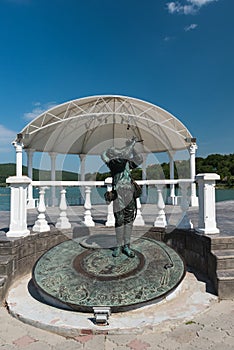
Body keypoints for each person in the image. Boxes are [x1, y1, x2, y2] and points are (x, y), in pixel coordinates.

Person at [101, 137, 143, 258]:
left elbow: (139, 159)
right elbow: (119, 154)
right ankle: (119, 245)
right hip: (118, 194)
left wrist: (133, 148)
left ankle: (126, 246)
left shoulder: (127, 164)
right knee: (119, 220)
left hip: (129, 193)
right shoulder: (113, 163)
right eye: (116, 152)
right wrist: (132, 144)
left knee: (128, 220)